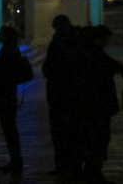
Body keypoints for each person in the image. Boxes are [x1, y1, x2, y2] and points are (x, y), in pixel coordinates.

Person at [77, 25, 123, 184]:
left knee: (92, 138)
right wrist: (121, 68)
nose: (107, 42)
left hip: (90, 103)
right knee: (99, 138)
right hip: (98, 104)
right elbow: (109, 64)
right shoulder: (94, 51)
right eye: (105, 39)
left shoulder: (86, 51)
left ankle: (90, 170)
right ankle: (93, 171)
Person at [42, 15, 81, 178]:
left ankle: (63, 166)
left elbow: (48, 67)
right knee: (74, 133)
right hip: (75, 94)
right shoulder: (77, 42)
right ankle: (76, 166)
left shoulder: (57, 43)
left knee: (60, 134)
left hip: (59, 94)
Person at [0, 25, 24, 173]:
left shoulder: (8, 50)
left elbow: (3, 71)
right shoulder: (12, 49)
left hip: (5, 94)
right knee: (10, 128)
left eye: (1, 32)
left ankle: (16, 161)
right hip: (9, 93)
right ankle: (16, 160)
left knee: (9, 129)